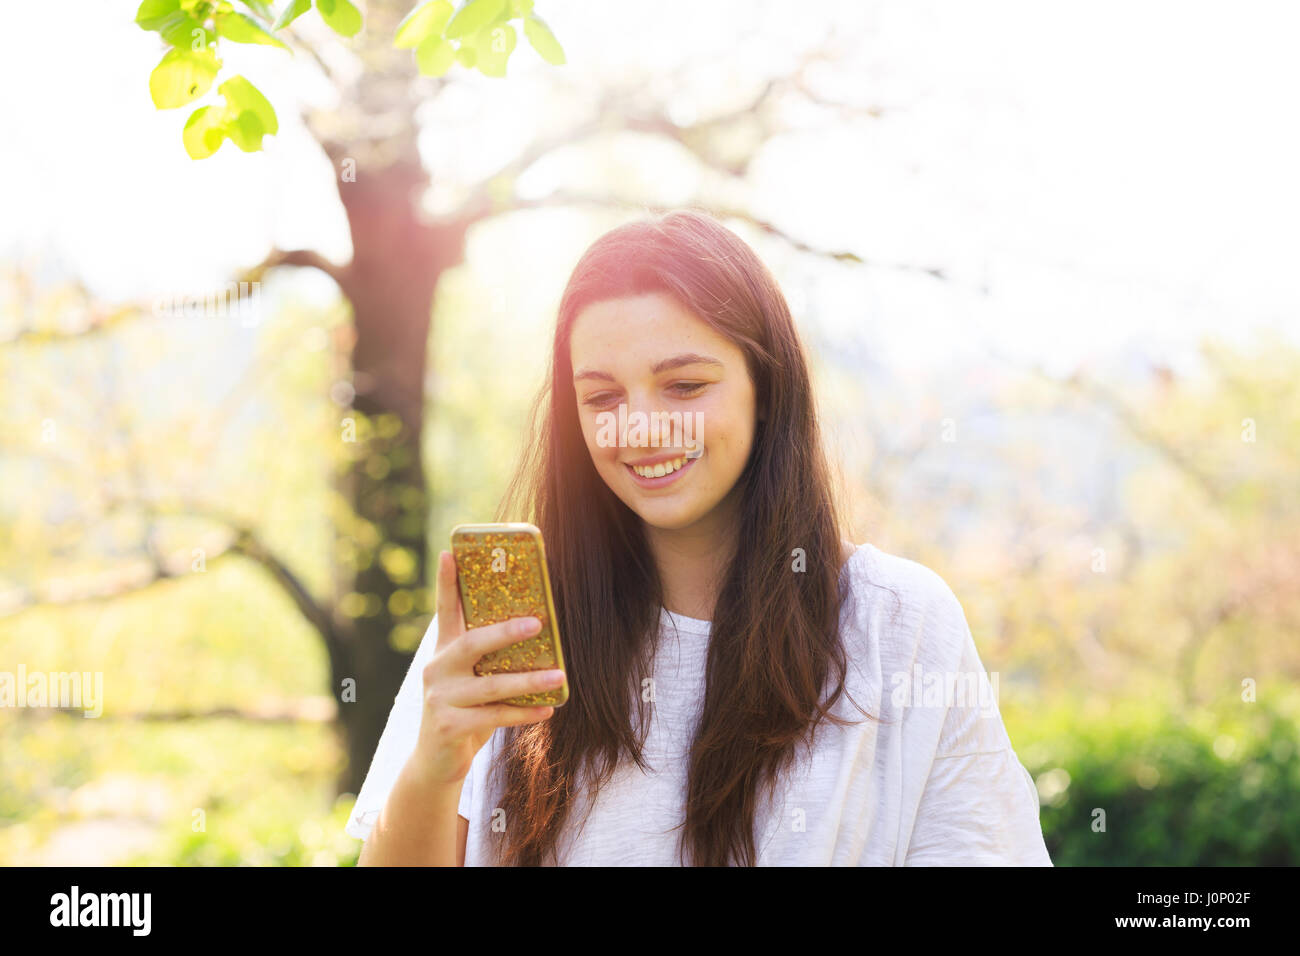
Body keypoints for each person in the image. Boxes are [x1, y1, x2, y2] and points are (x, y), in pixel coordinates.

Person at [346, 208, 1052, 866]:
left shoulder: (896, 622)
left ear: (766, 386)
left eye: (684, 386)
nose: (641, 426)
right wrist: (435, 768)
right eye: (602, 397)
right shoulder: (504, 631)